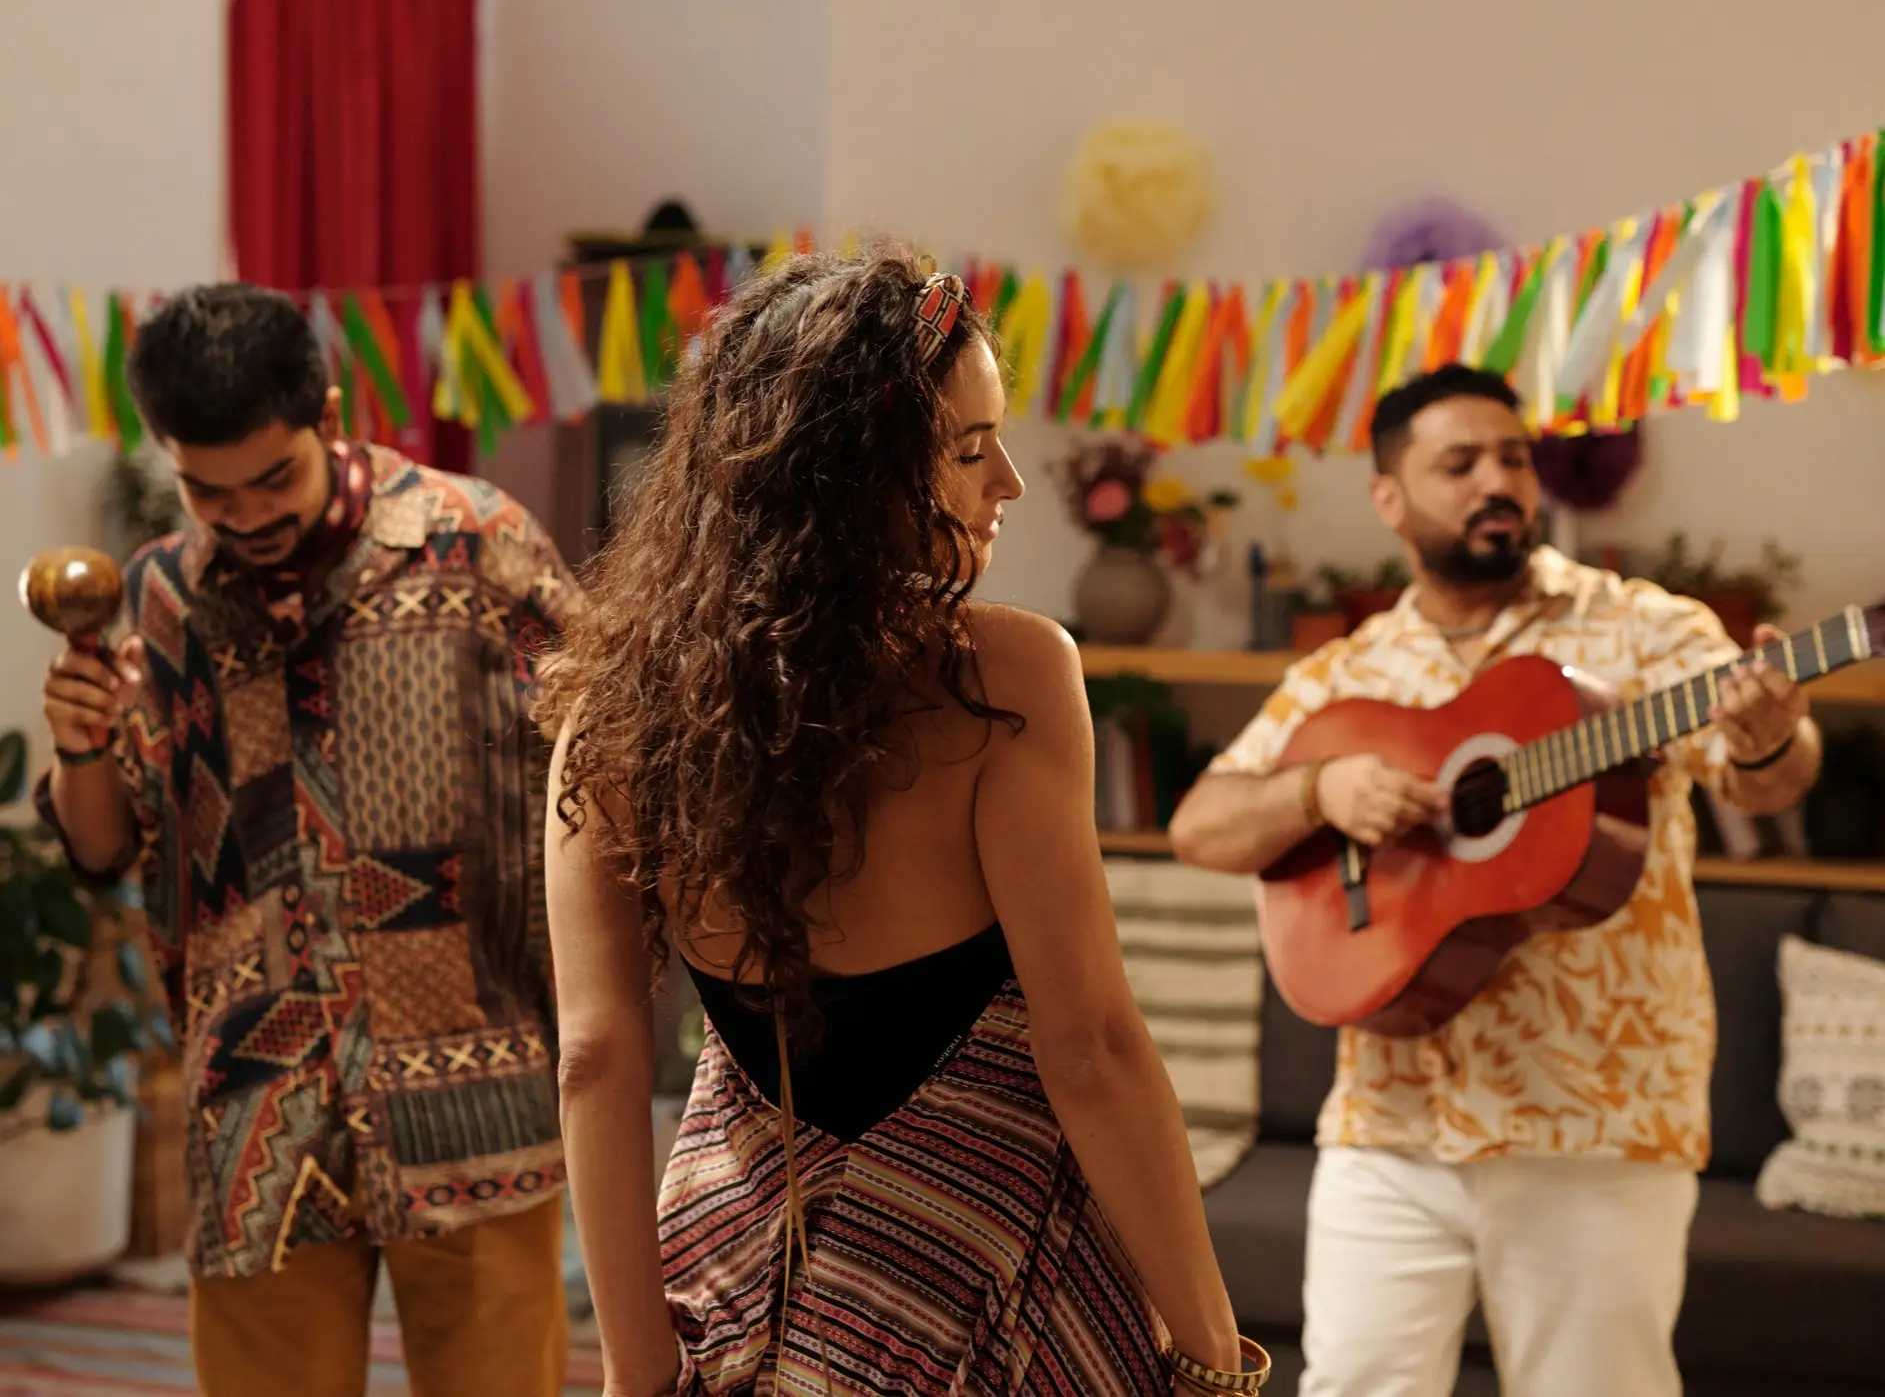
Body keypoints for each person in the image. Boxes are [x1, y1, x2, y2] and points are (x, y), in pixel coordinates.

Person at [538, 248, 1263, 1397]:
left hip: (740, 1261)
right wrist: (1212, 1354)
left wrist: (635, 1365)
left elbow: (596, 1057)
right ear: (847, 476)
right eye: (970, 448)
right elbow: (1092, 1049)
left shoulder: (605, 718)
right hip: (979, 1273)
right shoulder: (1008, 676)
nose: (1010, 482)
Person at [1169, 362, 1822, 1397]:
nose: (1498, 483)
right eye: (1458, 462)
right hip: (1388, 1119)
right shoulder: (1345, 674)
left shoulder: (1647, 631)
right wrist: (1318, 789)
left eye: (1513, 458)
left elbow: (1764, 781)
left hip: (1600, 1121)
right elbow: (1200, 824)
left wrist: (1769, 739)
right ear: (1388, 497)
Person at [35, 284, 578, 1397]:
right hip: (258, 1100)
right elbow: (99, 850)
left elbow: (603, 763)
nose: (240, 516)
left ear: (326, 413)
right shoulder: (159, 599)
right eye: (206, 490)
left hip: (473, 1083)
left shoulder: (474, 544)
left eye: (271, 477)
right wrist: (82, 743)